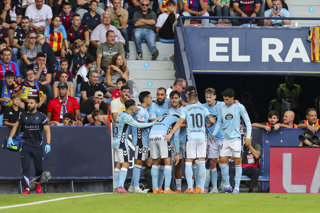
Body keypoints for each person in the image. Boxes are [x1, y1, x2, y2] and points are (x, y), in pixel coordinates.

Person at [165, 92, 216, 193]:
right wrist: (208, 125)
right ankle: (201, 188)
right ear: (197, 100)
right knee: (201, 162)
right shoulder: (203, 108)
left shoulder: (185, 109)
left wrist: (171, 133)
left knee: (188, 162)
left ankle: (190, 188)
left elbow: (180, 122)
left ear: (188, 100)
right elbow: (213, 121)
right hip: (202, 137)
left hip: (191, 137)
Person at [210, 88, 252, 194]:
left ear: (232, 98)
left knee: (237, 162)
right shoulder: (222, 108)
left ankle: (237, 188)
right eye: (224, 99)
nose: (225, 101)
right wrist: (213, 134)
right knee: (223, 161)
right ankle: (227, 185)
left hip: (237, 139)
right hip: (226, 138)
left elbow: (248, 122)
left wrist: (248, 137)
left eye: (227, 99)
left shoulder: (239, 107)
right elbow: (219, 122)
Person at [7, 97, 51, 194]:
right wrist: (10, 137)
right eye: (28, 103)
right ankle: (27, 188)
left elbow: (47, 130)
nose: (29, 105)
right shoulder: (23, 115)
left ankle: (37, 184)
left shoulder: (42, 116)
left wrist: (48, 143)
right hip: (26, 145)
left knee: (39, 168)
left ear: (36, 104)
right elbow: (15, 126)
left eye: (31, 103)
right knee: (25, 167)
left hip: (37, 145)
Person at [112, 99, 154, 193]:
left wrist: (135, 111)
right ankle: (121, 187)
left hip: (115, 141)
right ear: (131, 107)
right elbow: (139, 125)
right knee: (126, 164)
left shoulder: (121, 114)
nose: (137, 108)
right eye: (135, 106)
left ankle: (116, 187)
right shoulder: (127, 117)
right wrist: (154, 123)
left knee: (118, 165)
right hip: (122, 142)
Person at [128, 91, 154, 193]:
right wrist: (152, 124)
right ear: (146, 99)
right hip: (141, 140)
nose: (151, 100)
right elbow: (140, 124)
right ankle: (135, 187)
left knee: (140, 163)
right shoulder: (141, 111)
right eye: (151, 98)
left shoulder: (144, 110)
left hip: (144, 140)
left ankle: (132, 186)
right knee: (138, 163)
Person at [150, 113, 180, 194]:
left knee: (155, 162)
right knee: (168, 162)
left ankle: (155, 188)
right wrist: (177, 153)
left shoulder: (163, 117)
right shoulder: (177, 120)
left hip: (152, 135)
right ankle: (167, 188)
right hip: (163, 136)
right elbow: (176, 137)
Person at [203, 88, 225, 193]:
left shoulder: (221, 105)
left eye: (210, 97)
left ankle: (225, 185)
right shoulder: (203, 107)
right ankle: (215, 187)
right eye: (207, 97)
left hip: (222, 138)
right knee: (212, 162)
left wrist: (236, 103)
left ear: (215, 97)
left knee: (223, 161)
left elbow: (233, 105)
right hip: (211, 139)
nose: (208, 99)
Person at [168, 91, 186, 193]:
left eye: (176, 98)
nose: (174, 100)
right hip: (171, 142)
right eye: (172, 98)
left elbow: (187, 123)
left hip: (182, 141)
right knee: (169, 165)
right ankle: (170, 187)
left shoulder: (183, 110)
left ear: (179, 99)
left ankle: (179, 188)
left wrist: (179, 124)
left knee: (179, 165)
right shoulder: (168, 110)